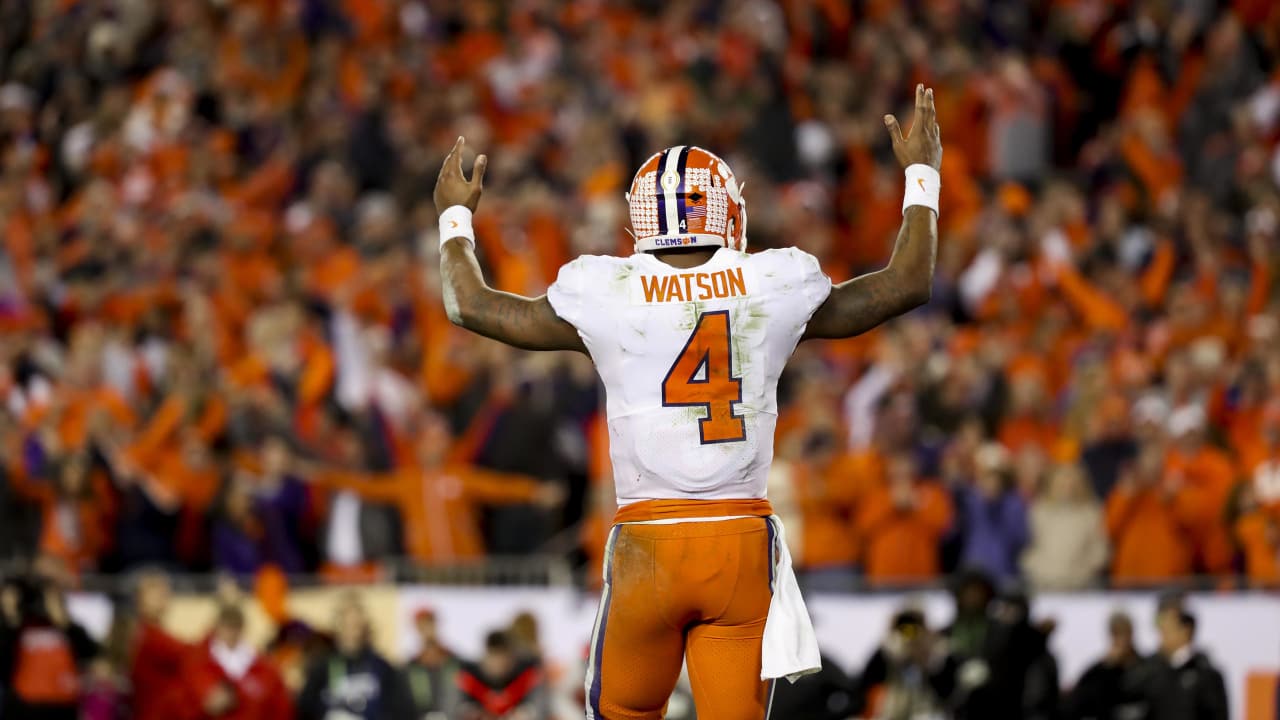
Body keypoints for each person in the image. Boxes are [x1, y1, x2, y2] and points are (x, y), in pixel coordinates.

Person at [434, 82, 943, 718]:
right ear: (728, 210)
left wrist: (454, 217)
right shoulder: (772, 280)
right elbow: (908, 283)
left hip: (650, 542)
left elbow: (470, 305)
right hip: (737, 540)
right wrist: (922, 174)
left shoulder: (607, 288)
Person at [0, 572, 100, 720]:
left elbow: (90, 653)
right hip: (24, 705)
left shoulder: (69, 628)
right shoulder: (19, 628)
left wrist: (63, 620)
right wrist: (13, 618)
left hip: (62, 704)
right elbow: (4, 665)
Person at [297, 593, 413, 720]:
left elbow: (400, 709)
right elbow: (305, 708)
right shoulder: (322, 668)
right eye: (346, 622)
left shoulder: (381, 668)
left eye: (356, 623)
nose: (351, 628)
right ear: (337, 624)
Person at [184, 604, 293, 720]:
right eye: (226, 626)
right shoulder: (199, 664)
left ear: (242, 628)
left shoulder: (265, 668)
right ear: (216, 628)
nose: (230, 632)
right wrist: (205, 705)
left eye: (235, 626)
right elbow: (184, 705)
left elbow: (281, 707)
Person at [1125, 607, 1228, 720]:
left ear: (1185, 631)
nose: (1162, 637)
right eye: (1161, 631)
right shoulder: (1151, 671)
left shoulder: (1206, 674)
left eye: (1167, 630)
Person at [855, 609, 956, 720]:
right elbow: (867, 684)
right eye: (904, 630)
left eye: (914, 630)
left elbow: (947, 692)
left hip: (927, 711)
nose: (909, 637)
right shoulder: (886, 652)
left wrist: (927, 662)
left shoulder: (936, 653)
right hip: (891, 711)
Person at [1062, 611, 1144, 720]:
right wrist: (1107, 668)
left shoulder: (1147, 668)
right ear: (1111, 635)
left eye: (1125, 633)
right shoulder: (1096, 673)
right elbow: (1076, 705)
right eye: (1117, 633)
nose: (1123, 640)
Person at [455, 630, 548, 720]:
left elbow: (538, 707)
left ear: (511, 659)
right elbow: (456, 708)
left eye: (503, 659)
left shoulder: (525, 677)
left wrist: (525, 713)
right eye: (494, 657)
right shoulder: (470, 679)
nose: (498, 664)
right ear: (486, 656)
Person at [404, 608, 460, 719]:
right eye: (422, 626)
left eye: (430, 623)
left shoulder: (453, 661)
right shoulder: (412, 667)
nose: (427, 630)